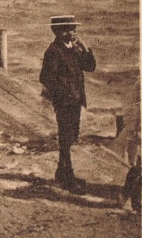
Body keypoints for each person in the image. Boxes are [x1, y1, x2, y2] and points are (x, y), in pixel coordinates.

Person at [39, 15, 96, 195]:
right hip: (65, 101)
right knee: (65, 138)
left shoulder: (74, 49)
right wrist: (62, 92)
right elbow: (45, 78)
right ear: (59, 32)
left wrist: (85, 48)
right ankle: (68, 177)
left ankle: (61, 173)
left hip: (76, 100)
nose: (73, 32)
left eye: (74, 29)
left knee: (70, 137)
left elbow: (90, 67)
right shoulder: (54, 51)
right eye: (69, 29)